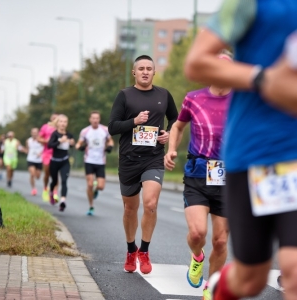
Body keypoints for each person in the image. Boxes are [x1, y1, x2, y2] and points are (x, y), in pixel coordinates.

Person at [184, 1, 297, 299]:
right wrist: (262, 79)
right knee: (250, 279)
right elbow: (196, 62)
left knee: (294, 270)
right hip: (261, 154)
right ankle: (218, 288)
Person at [165, 51, 232, 300]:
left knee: (221, 241)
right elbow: (178, 126)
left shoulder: (242, 101)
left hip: (229, 177)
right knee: (197, 234)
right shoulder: (194, 98)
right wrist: (171, 149)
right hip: (197, 173)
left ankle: (211, 287)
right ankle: (197, 257)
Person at [108, 55, 178, 274]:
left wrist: (168, 133)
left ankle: (144, 251)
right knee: (130, 209)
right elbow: (112, 127)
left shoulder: (164, 95)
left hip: (153, 159)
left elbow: (176, 119)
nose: (145, 72)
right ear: (134, 73)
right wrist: (134, 122)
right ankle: (131, 249)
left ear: (154, 72)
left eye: (149, 68)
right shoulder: (124, 95)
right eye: (141, 68)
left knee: (150, 204)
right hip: (129, 159)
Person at [75, 111, 114, 216]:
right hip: (89, 160)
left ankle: (96, 190)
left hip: (100, 161)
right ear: (90, 119)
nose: (95, 120)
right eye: (93, 118)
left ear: (99, 119)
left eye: (97, 118)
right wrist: (80, 147)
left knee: (101, 186)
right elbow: (78, 144)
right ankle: (91, 206)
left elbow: (110, 141)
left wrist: (110, 147)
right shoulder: (85, 131)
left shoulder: (105, 130)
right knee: (90, 184)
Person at [47, 114, 74, 212]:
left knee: (64, 180)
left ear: (67, 123)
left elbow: (71, 145)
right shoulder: (55, 134)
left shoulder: (69, 134)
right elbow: (49, 145)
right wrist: (60, 141)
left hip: (65, 161)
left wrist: (72, 143)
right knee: (54, 181)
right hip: (54, 161)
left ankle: (63, 201)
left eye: (65, 122)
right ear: (57, 123)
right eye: (61, 121)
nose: (63, 123)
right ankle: (51, 192)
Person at [38, 113, 58, 201]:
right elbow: (39, 138)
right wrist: (46, 140)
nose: (54, 120)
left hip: (57, 154)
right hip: (47, 153)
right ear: (50, 119)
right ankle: (45, 188)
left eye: (56, 118)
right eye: (53, 118)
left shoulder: (60, 128)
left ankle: (55, 193)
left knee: (55, 174)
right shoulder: (45, 127)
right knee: (47, 173)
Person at [25, 128, 44, 196]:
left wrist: (41, 153)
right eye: (33, 132)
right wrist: (26, 151)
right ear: (31, 133)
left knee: (38, 176)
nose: (34, 134)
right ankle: (33, 189)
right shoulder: (28, 140)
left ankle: (36, 177)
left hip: (39, 160)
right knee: (32, 174)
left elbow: (45, 148)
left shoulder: (41, 140)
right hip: (31, 159)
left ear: (38, 133)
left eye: (36, 132)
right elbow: (27, 149)